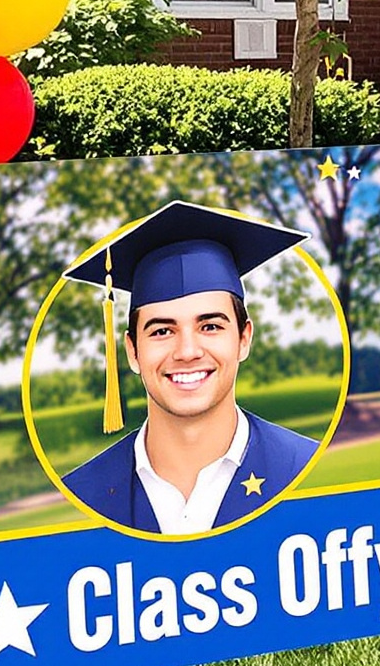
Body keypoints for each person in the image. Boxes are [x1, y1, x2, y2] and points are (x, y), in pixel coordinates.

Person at [61, 202, 325, 536]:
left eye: (210, 326)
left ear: (244, 339)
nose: (187, 351)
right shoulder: (79, 495)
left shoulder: (309, 468)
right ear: (132, 351)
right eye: (162, 331)